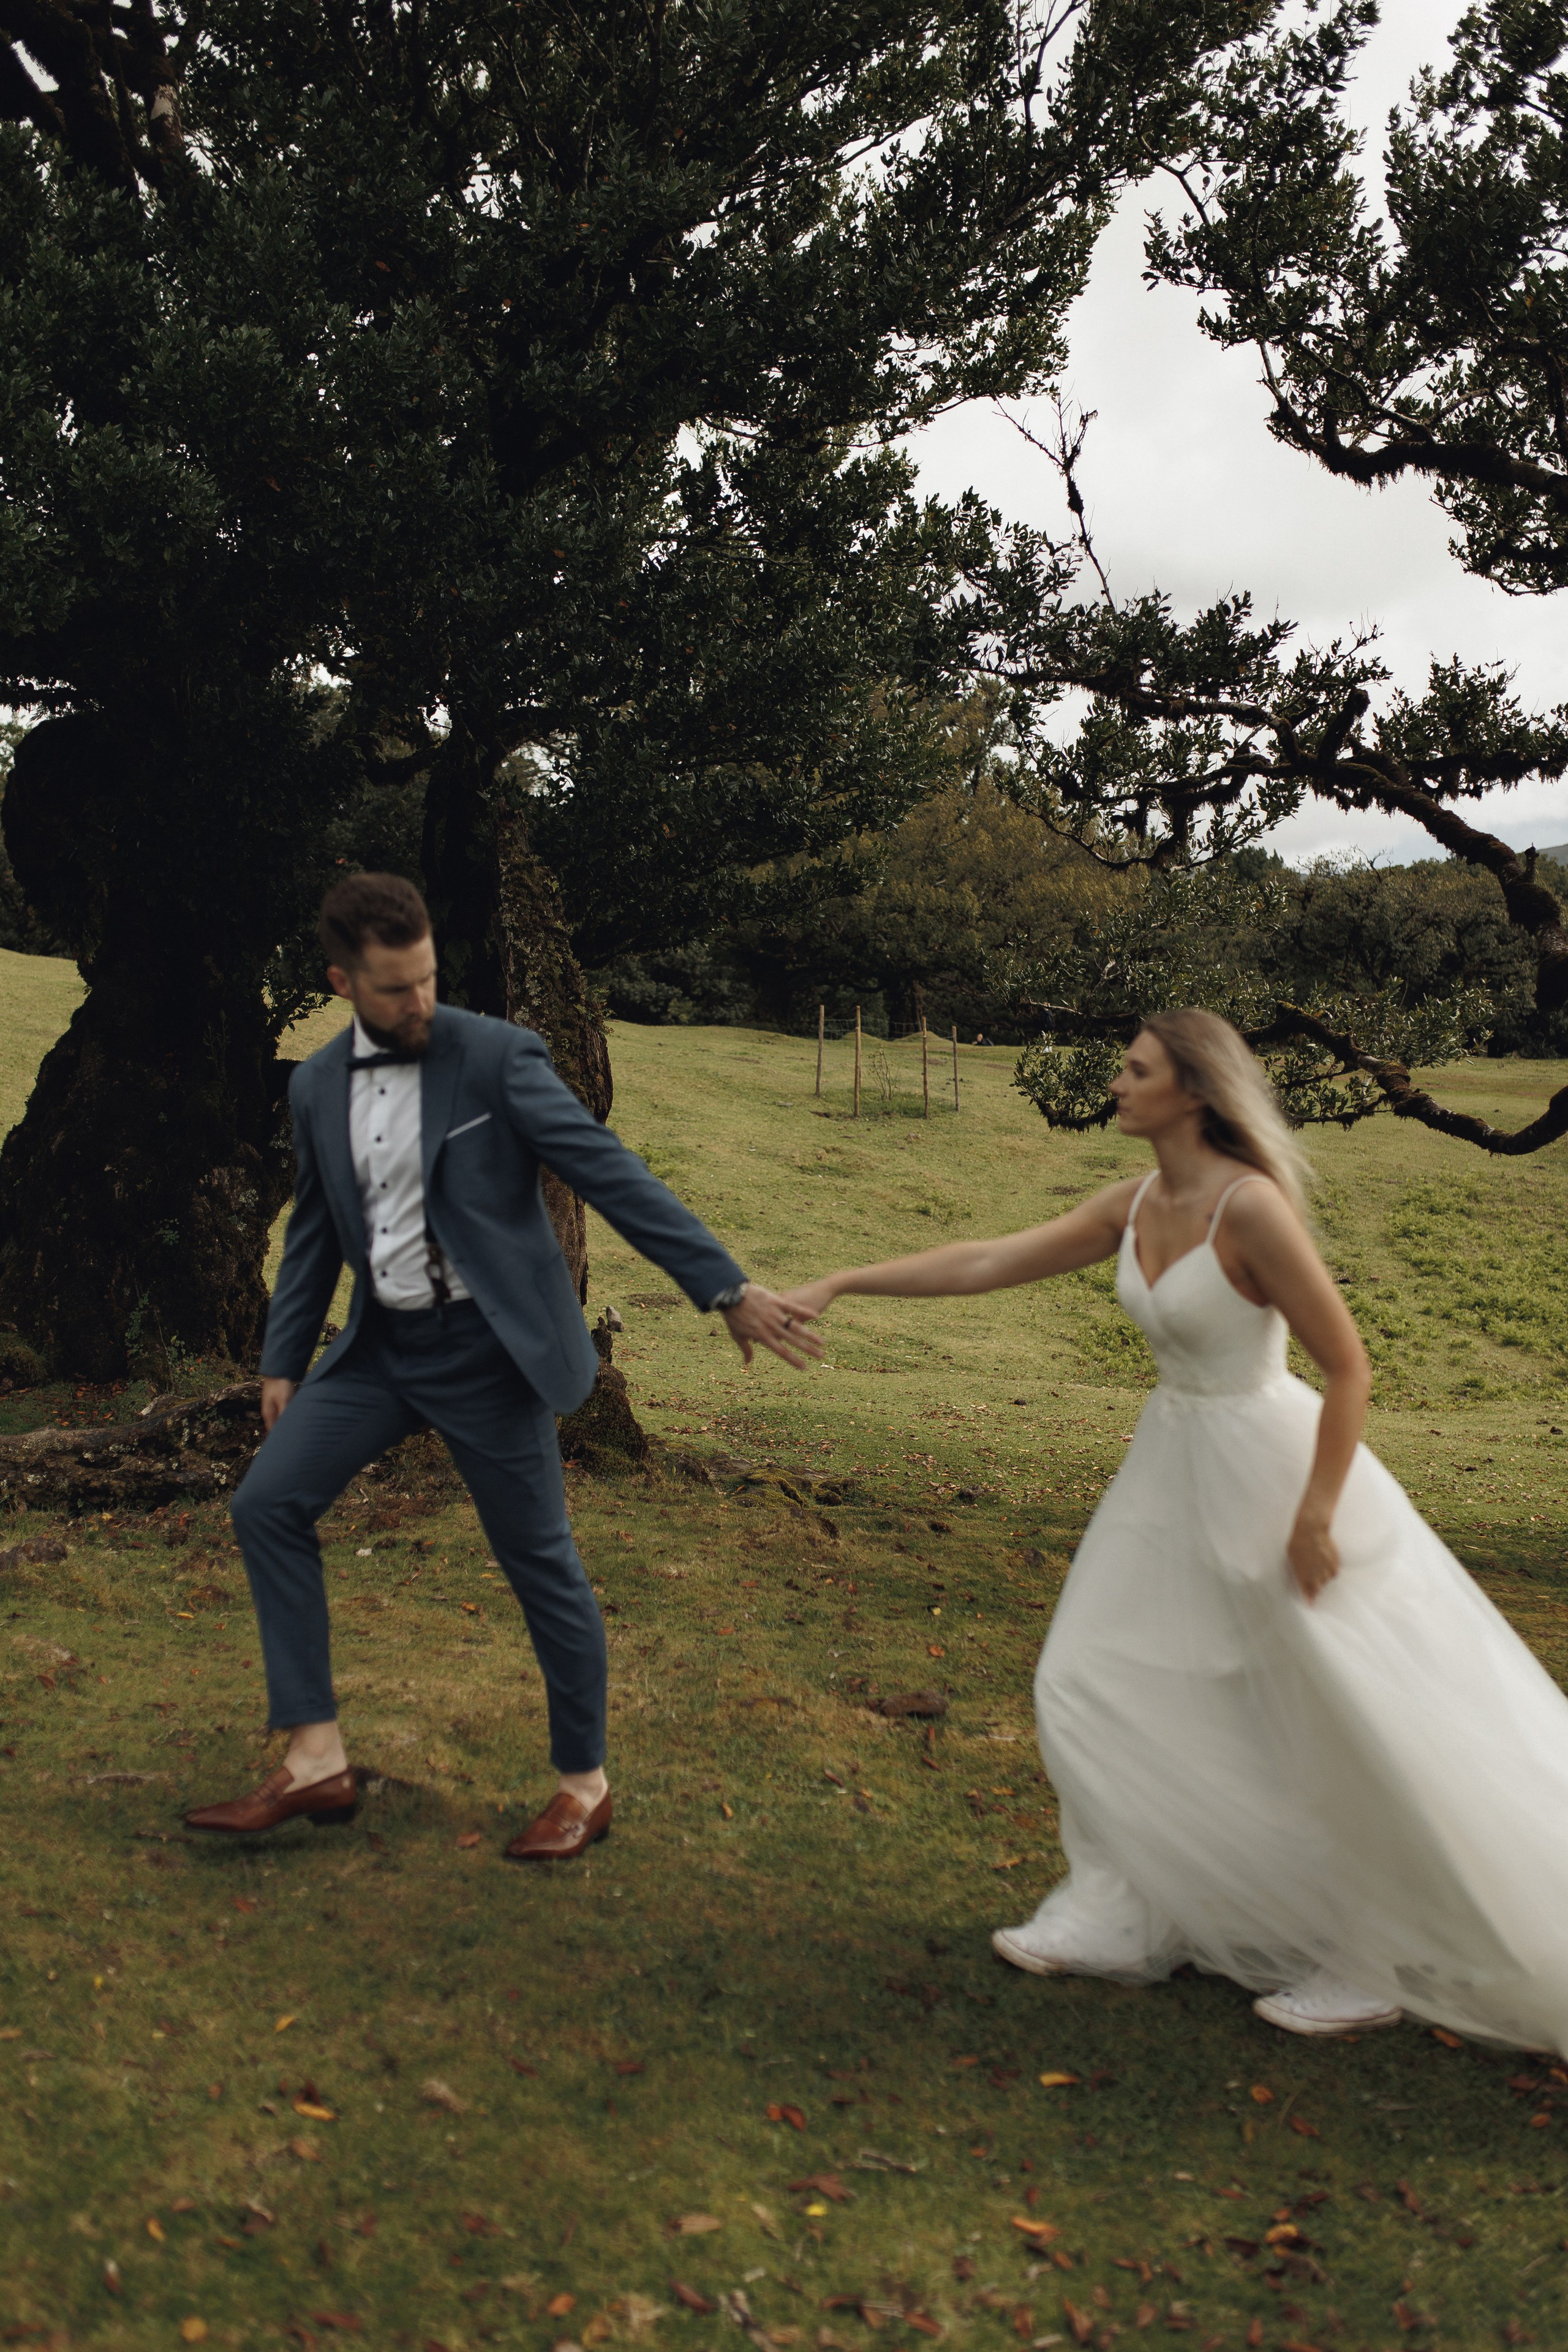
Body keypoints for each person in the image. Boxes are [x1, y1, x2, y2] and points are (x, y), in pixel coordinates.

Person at [778, 1008, 1568, 2051]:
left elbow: (1348, 1366)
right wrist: (841, 1282)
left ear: (1193, 1091)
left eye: (1135, 1069)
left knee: (1334, 1708)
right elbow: (985, 1260)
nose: (1117, 1082)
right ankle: (1122, 1908)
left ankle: (1367, 1956)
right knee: (1092, 1671)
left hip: (1276, 1471)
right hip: (1171, 1471)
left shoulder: (1253, 1210)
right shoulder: (1138, 1200)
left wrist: (1318, 1514)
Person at [186, 873, 819, 1858]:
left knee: (539, 1565)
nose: (420, 1003)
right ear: (343, 982)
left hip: (491, 1354)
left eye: (429, 978)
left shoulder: (497, 1057)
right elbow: (314, 1230)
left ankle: (584, 1785)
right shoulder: (314, 1086)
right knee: (267, 1503)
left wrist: (727, 1289)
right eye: (395, 989)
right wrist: (282, 1360)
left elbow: (609, 1172)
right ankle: (315, 1762)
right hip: (377, 1351)